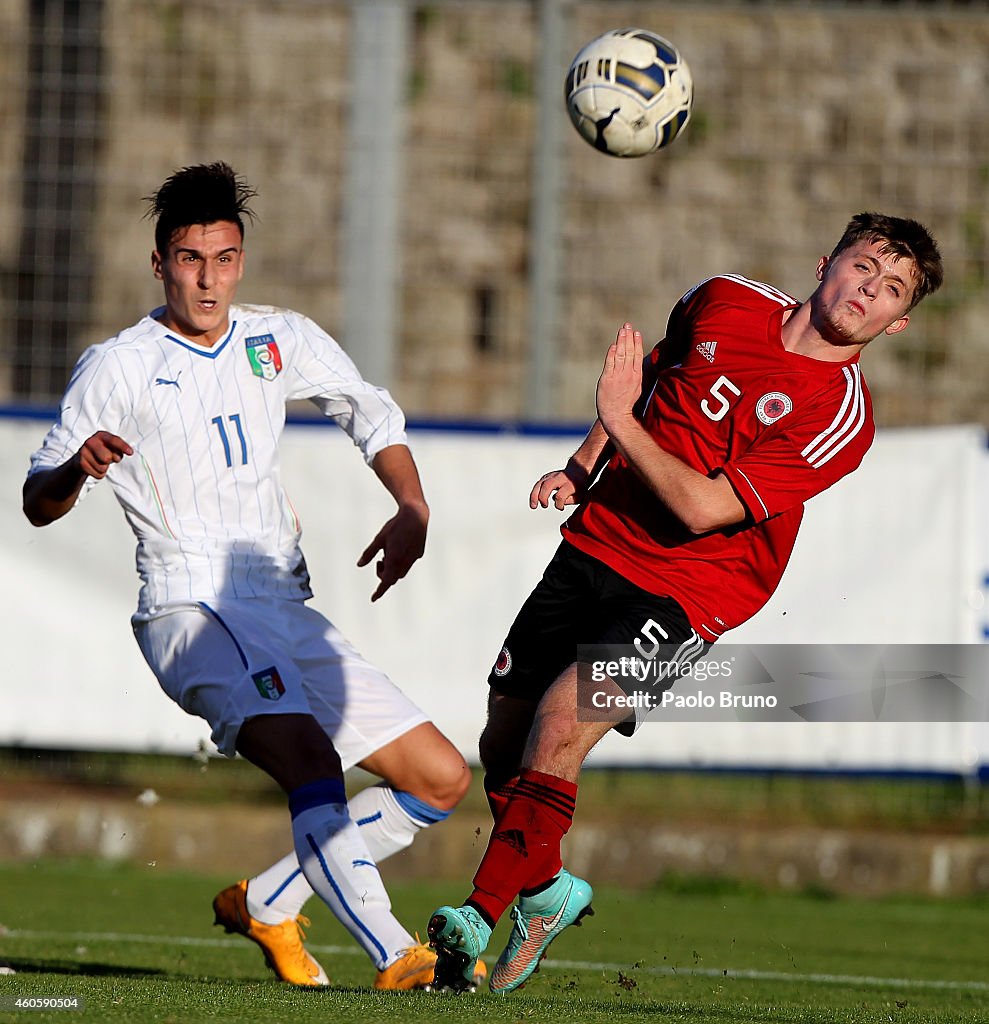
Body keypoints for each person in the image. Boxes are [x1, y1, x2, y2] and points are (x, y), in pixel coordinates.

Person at [426, 212, 944, 993]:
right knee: (505, 744)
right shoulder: (723, 299)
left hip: (690, 594)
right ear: (823, 263)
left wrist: (613, 424)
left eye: (890, 290)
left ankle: (478, 911)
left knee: (562, 723)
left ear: (897, 323)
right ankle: (545, 892)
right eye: (863, 268)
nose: (868, 292)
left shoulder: (840, 416)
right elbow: (648, 383)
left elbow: (701, 508)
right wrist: (584, 463)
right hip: (595, 545)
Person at [22, 161, 486, 992]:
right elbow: (37, 499)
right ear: (159, 263)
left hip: (276, 598)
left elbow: (366, 408)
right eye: (190, 260)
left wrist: (412, 506)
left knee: (439, 779)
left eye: (224, 259)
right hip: (191, 606)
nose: (208, 279)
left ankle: (270, 902)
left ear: (241, 260)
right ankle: (397, 953)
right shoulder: (119, 365)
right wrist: (74, 471)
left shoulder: (278, 338)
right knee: (311, 759)